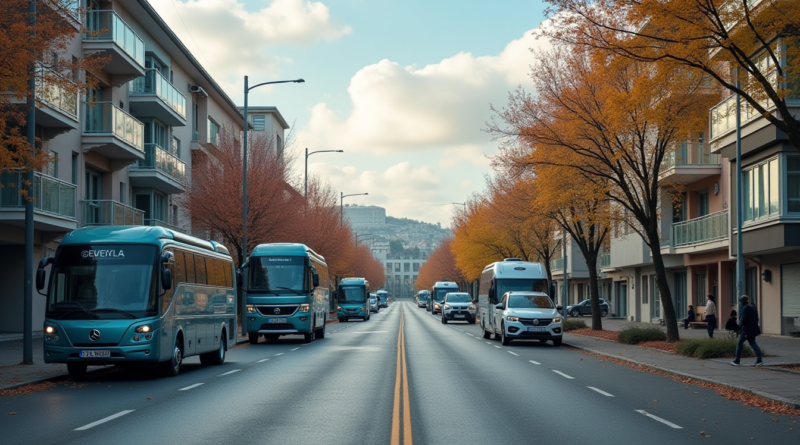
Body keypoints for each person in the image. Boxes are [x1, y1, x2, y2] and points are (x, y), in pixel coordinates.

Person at [731, 295, 763, 367]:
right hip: (753, 329)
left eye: (741, 302)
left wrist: (739, 326)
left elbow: (744, 320)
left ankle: (737, 360)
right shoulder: (753, 307)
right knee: (753, 343)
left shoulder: (745, 308)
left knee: (739, 343)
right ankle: (759, 359)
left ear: (743, 302)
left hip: (746, 330)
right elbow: (756, 318)